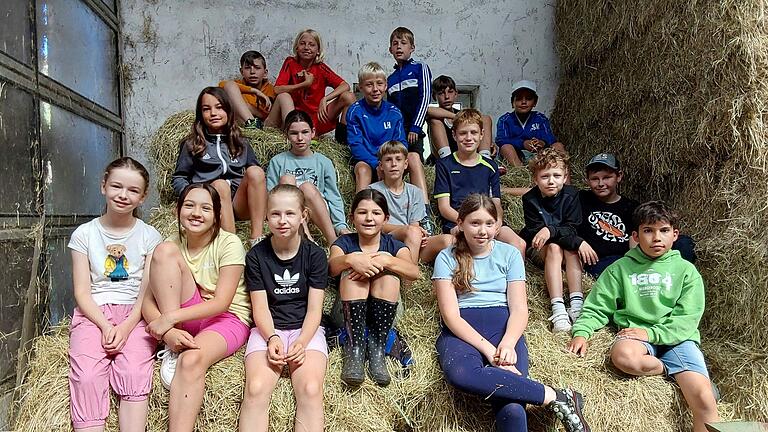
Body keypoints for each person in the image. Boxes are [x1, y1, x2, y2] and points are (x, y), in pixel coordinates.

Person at [433, 194, 591, 432]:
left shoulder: (509, 254)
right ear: (461, 224)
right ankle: (556, 396)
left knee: (513, 406)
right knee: (461, 374)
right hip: (462, 329)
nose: (482, 230)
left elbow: (519, 308)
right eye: (475, 223)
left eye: (489, 223)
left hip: (503, 325)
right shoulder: (446, 257)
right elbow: (451, 316)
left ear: (497, 226)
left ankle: (553, 397)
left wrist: (507, 344)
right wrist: (490, 351)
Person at [567, 201, 718, 432]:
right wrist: (581, 333)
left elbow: (687, 318)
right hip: (636, 337)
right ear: (635, 236)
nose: (656, 237)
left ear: (675, 234)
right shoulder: (620, 269)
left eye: (664, 230)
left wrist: (652, 332)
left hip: (678, 340)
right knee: (623, 357)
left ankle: (689, 376)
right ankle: (669, 371)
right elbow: (598, 306)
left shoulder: (686, 271)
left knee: (705, 399)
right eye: (648, 231)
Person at [142, 183, 252, 432]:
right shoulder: (170, 244)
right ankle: (173, 346)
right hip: (186, 315)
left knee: (191, 361)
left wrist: (167, 318)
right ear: (177, 211)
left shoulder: (229, 243)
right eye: (189, 205)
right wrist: (168, 332)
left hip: (227, 318)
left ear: (216, 215)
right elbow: (148, 302)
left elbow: (221, 303)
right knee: (164, 251)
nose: (196, 213)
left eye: (205, 208)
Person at [68, 157, 162, 432]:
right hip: (94, 313)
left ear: (143, 197)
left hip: (135, 313)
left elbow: (146, 292)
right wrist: (106, 325)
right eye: (117, 186)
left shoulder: (149, 236)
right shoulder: (84, 234)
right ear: (103, 186)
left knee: (134, 371)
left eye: (133, 190)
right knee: (86, 376)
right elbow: (81, 292)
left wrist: (128, 325)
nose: (123, 195)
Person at [239, 185, 328, 432]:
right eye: (275, 214)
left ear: (304, 217)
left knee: (310, 389)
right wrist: (272, 337)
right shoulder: (256, 256)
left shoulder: (315, 256)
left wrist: (301, 341)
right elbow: (261, 307)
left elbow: (314, 310)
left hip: (305, 329)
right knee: (256, 388)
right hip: (268, 328)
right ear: (266, 217)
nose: (282, 220)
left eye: (290, 214)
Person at [329, 189, 420, 386]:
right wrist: (350, 259)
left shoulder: (393, 245)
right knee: (350, 275)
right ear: (352, 218)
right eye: (362, 213)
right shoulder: (343, 243)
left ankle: (378, 349)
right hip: (346, 316)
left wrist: (386, 262)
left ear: (385, 218)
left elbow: (414, 272)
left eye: (376, 213)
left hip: (386, 316)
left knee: (389, 277)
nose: (369, 218)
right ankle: (355, 350)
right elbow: (331, 269)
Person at [172, 86, 268, 246]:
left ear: (229, 111)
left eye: (219, 107)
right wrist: (190, 196)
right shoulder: (193, 144)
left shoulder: (241, 142)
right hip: (210, 204)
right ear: (200, 114)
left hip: (239, 204)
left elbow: (256, 179)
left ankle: (256, 239)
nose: (213, 113)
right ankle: (232, 246)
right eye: (206, 109)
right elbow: (179, 177)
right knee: (220, 184)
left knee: (256, 172)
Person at [578, 153, 697, 278]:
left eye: (607, 177)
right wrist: (578, 242)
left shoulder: (632, 207)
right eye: (595, 179)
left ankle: (668, 277)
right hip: (603, 261)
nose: (601, 183)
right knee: (613, 267)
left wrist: (636, 260)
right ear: (587, 180)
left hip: (633, 256)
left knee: (684, 243)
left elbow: (637, 238)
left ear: (619, 176)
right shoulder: (581, 199)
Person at [433, 109, 526, 256]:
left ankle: (514, 279)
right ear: (454, 135)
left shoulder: (490, 166)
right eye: (463, 133)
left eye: (474, 133)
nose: (468, 138)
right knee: (468, 245)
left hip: (487, 219)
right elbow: (444, 207)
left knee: (518, 243)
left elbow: (496, 202)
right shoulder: (445, 165)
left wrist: (498, 220)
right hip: (458, 220)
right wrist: (465, 222)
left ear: (481, 134)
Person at [519, 148, 584, 333]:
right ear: (535, 179)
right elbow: (534, 232)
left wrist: (550, 229)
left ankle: (577, 304)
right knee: (555, 247)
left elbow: (573, 227)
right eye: (545, 176)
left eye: (556, 175)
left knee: (570, 247)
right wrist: (548, 233)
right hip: (541, 249)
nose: (551, 181)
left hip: (566, 248)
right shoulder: (529, 199)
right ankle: (558, 310)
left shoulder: (572, 195)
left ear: (565, 177)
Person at [267, 109, 349, 244]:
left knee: (307, 187)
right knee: (287, 180)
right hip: (288, 212)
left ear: (313, 132)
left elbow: (333, 195)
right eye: (294, 133)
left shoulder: (323, 161)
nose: (300, 138)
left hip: (317, 210)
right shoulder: (278, 161)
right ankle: (306, 236)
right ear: (286, 135)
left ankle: (333, 241)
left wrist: (340, 225)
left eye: (305, 132)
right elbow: (270, 193)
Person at [368, 140, 453, 263]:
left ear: (406, 164)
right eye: (388, 160)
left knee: (449, 240)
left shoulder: (415, 192)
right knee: (412, 232)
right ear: (381, 165)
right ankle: (409, 278)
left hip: (412, 241)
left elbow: (414, 224)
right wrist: (410, 230)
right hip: (385, 242)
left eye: (398, 159)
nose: (393, 164)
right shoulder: (373, 191)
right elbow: (378, 225)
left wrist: (419, 235)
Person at [274, 29, 355, 138]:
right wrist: (304, 84)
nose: (306, 47)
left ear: (318, 50)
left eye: (311, 45)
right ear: (297, 48)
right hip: (295, 116)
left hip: (317, 117)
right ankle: (293, 134)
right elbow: (277, 89)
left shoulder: (320, 68)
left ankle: (342, 142)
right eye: (302, 44)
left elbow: (345, 85)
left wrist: (325, 99)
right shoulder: (290, 62)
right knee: (283, 96)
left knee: (349, 96)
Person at [386, 27, 432, 221]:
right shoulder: (389, 79)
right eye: (395, 44)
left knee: (413, 160)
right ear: (390, 49)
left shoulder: (420, 68)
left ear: (412, 47)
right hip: (396, 132)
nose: (399, 47)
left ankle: (424, 214)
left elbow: (425, 98)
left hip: (412, 129)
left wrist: (416, 126)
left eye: (403, 43)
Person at [346, 61, 406, 192]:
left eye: (379, 84)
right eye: (369, 85)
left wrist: (388, 162)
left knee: (413, 158)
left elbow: (401, 142)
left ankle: (424, 206)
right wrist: (377, 164)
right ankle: (360, 208)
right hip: (366, 160)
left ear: (385, 86)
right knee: (362, 169)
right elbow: (356, 145)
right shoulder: (355, 111)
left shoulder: (394, 112)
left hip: (390, 160)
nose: (375, 89)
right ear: (360, 87)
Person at [496, 80, 565, 167]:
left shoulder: (540, 118)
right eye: (519, 99)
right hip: (515, 156)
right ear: (513, 103)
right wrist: (523, 143)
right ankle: (521, 174)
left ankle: (564, 177)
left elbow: (550, 138)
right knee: (506, 147)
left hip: (538, 156)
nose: (524, 102)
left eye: (528, 98)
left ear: (535, 102)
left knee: (558, 146)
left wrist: (541, 142)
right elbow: (501, 140)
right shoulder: (505, 120)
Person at [427, 75, 494, 160]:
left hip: (465, 156)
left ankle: (485, 159)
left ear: (456, 94)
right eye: (441, 93)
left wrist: (488, 142)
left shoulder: (461, 113)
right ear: (434, 96)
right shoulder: (433, 113)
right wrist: (457, 117)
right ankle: (448, 162)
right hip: (441, 159)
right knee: (435, 121)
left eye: (450, 92)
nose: (447, 96)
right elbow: (428, 110)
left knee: (485, 118)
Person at [219, 50, 278, 130]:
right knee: (230, 85)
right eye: (247, 68)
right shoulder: (237, 85)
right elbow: (222, 84)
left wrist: (250, 108)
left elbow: (267, 114)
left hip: (266, 126)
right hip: (243, 124)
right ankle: (253, 124)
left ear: (265, 73)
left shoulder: (270, 89)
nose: (252, 72)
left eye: (257, 68)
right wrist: (254, 91)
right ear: (241, 72)